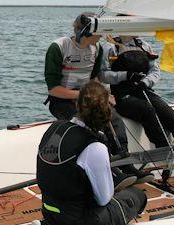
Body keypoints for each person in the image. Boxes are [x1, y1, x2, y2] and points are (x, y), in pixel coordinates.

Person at [44, 13, 150, 185]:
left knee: (114, 119)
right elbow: (54, 89)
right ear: (85, 32)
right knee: (92, 129)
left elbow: (94, 79)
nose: (101, 35)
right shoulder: (59, 47)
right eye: (98, 31)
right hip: (62, 101)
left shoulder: (97, 49)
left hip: (86, 96)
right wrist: (84, 95)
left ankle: (126, 164)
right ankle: (111, 173)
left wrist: (104, 94)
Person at [37, 80, 147, 225]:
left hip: (50, 215)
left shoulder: (55, 129)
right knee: (137, 196)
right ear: (107, 111)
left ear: (77, 104)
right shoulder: (95, 147)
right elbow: (104, 199)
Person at [102, 35, 174, 176]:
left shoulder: (144, 45)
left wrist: (145, 82)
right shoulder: (110, 47)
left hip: (143, 89)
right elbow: (102, 75)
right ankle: (166, 153)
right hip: (121, 96)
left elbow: (155, 70)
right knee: (146, 110)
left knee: (170, 115)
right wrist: (126, 75)